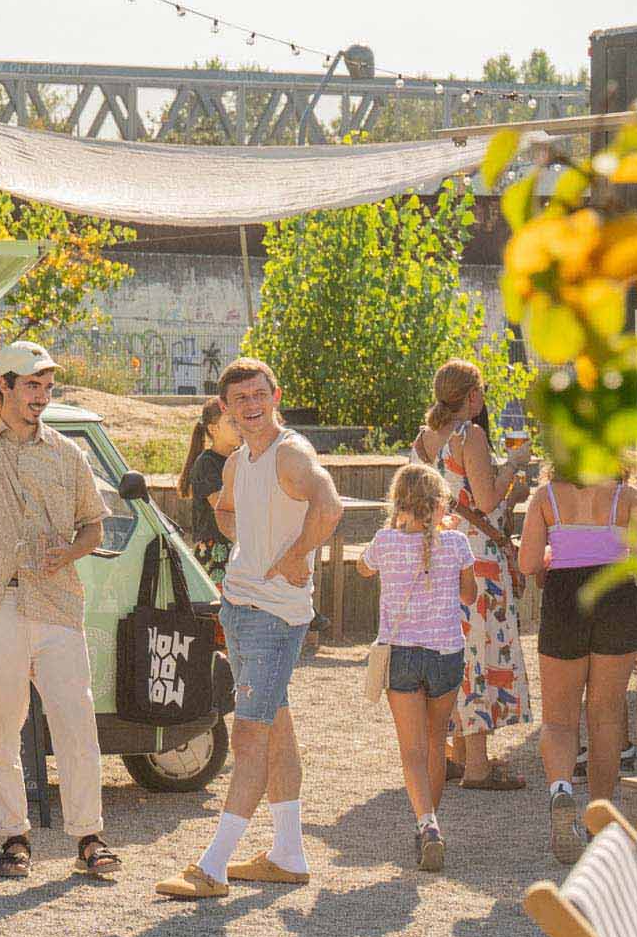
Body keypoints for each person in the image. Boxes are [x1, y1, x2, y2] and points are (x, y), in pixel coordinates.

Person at [0, 343, 120, 880]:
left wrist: (71, 552)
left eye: (47, 386)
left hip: (56, 599)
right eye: (31, 384)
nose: (42, 396)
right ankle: (13, 836)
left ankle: (89, 835)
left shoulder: (68, 453)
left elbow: (94, 526)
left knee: (76, 722)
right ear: (7, 386)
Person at [158, 357, 341, 900]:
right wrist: (251, 544)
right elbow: (227, 513)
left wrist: (297, 554)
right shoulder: (238, 462)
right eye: (240, 400)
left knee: (250, 735)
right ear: (227, 409)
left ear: (275, 395)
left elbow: (329, 507)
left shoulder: (291, 451)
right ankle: (288, 854)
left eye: (259, 395)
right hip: (239, 607)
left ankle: (213, 867)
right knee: (274, 729)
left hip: (272, 617)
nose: (251, 406)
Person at [414, 359, 532, 790]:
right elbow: (483, 500)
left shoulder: (424, 441)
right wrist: (515, 464)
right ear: (473, 396)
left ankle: (459, 753)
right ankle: (479, 765)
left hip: (439, 556)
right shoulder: (471, 435)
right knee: (481, 653)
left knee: (454, 653)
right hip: (477, 557)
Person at [356, 464, 475, 872]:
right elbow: (470, 594)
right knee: (436, 741)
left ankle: (427, 824)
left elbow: (363, 567)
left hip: (402, 653)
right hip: (445, 652)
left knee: (412, 751)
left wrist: (398, 528)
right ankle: (430, 823)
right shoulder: (457, 542)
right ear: (439, 503)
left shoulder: (385, 540)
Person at [519, 463, 637, 863]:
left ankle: (561, 791)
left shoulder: (546, 497)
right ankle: (599, 821)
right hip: (616, 598)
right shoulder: (627, 498)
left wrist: (556, 554)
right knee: (604, 718)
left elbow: (527, 562)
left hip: (564, 598)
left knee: (559, 718)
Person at [179, 396, 240, 583]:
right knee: (218, 610)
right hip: (216, 552)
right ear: (214, 429)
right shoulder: (207, 464)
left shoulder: (244, 459)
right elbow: (223, 506)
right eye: (232, 422)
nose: (240, 426)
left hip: (237, 547)